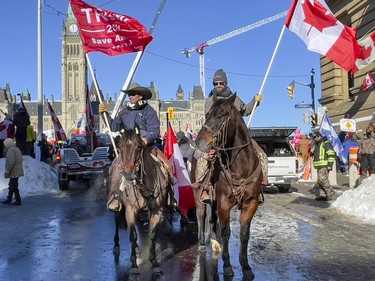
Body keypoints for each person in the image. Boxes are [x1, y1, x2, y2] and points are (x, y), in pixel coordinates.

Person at [98, 84, 174, 211]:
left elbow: (154, 130)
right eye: (129, 94)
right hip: (129, 149)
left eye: (133, 94)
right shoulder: (125, 111)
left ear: (140, 96)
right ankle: (114, 197)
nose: (130, 97)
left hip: (147, 147)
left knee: (168, 167)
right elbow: (113, 126)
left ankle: (170, 198)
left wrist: (146, 139)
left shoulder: (149, 111)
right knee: (114, 168)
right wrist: (104, 114)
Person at [194, 69, 264, 203]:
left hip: (238, 138)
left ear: (225, 83)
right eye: (216, 83)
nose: (218, 85)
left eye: (221, 83)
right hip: (217, 138)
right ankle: (204, 187)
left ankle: (258, 187)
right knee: (203, 158)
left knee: (261, 155)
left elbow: (245, 110)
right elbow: (211, 121)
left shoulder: (235, 99)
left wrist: (255, 101)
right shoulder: (210, 101)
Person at [312, 132, 336, 201]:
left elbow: (331, 154)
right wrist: (311, 152)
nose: (315, 138)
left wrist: (330, 165)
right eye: (314, 137)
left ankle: (330, 191)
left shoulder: (326, 143)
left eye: (316, 137)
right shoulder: (316, 144)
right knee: (319, 181)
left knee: (322, 179)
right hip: (318, 165)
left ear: (320, 136)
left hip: (324, 164)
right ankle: (322, 195)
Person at [1, 138, 24, 205]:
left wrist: (7, 171)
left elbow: (10, 162)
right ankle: (9, 198)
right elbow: (21, 159)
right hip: (17, 170)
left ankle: (17, 200)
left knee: (14, 186)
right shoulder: (16, 149)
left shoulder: (10, 150)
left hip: (14, 171)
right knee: (12, 185)